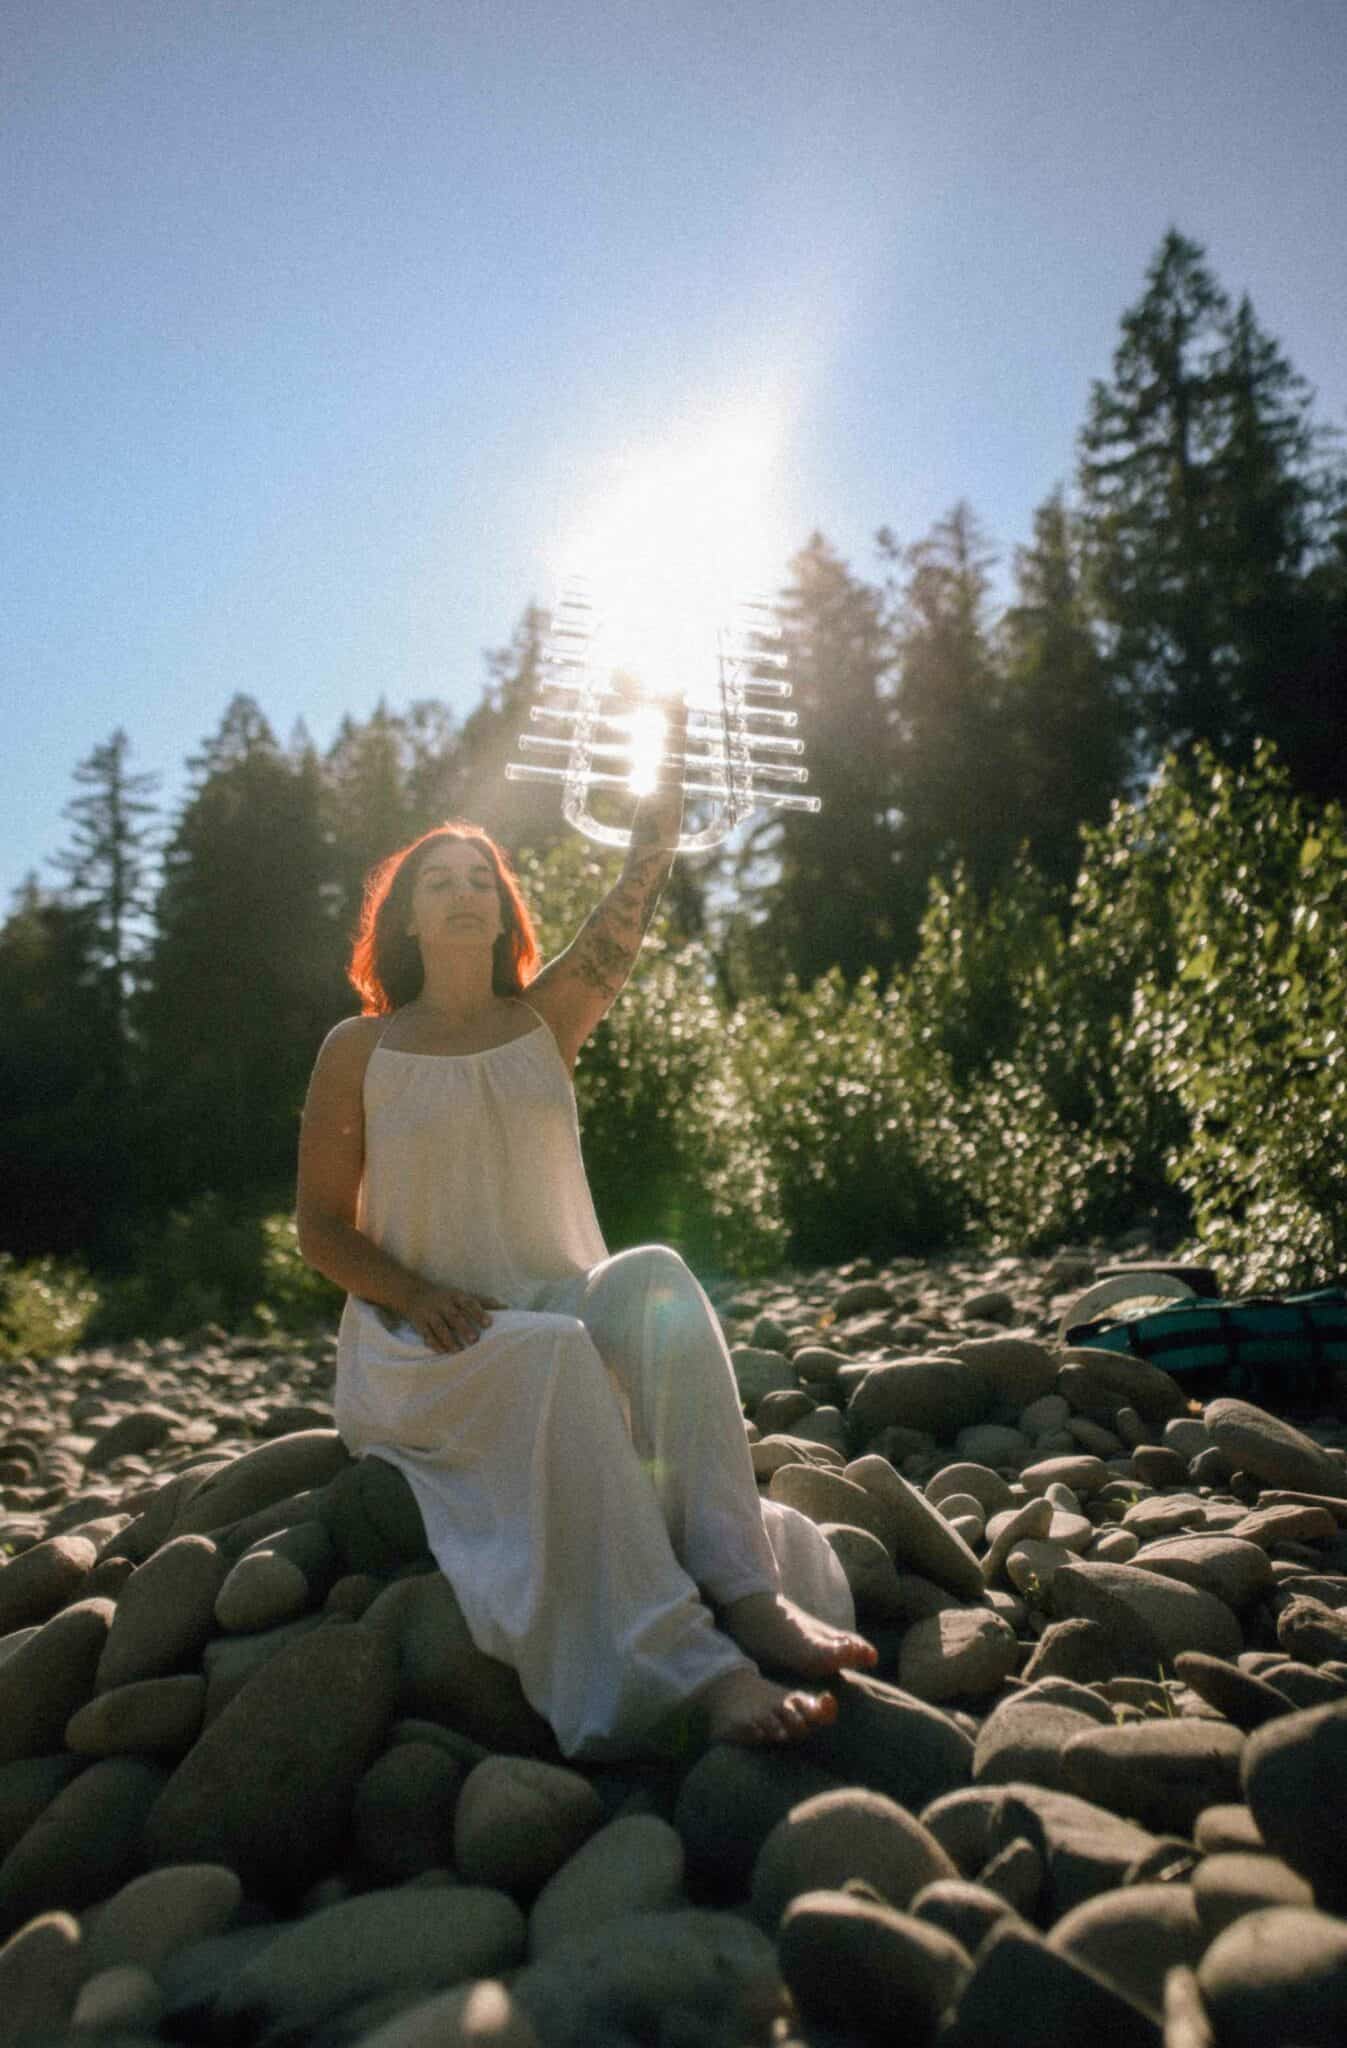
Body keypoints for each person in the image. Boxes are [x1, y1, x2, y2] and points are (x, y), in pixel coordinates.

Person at [296, 779, 876, 1758]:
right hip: (426, 1342)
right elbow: (319, 1227)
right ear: (405, 915)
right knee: (560, 1350)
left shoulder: (543, 1020)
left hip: (549, 1295)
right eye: (438, 879)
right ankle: (698, 1667)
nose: (463, 890)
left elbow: (618, 930)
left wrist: (651, 843)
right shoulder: (360, 1048)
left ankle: (746, 1585)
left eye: (481, 876)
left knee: (652, 1274)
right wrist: (417, 1293)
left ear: (501, 906)